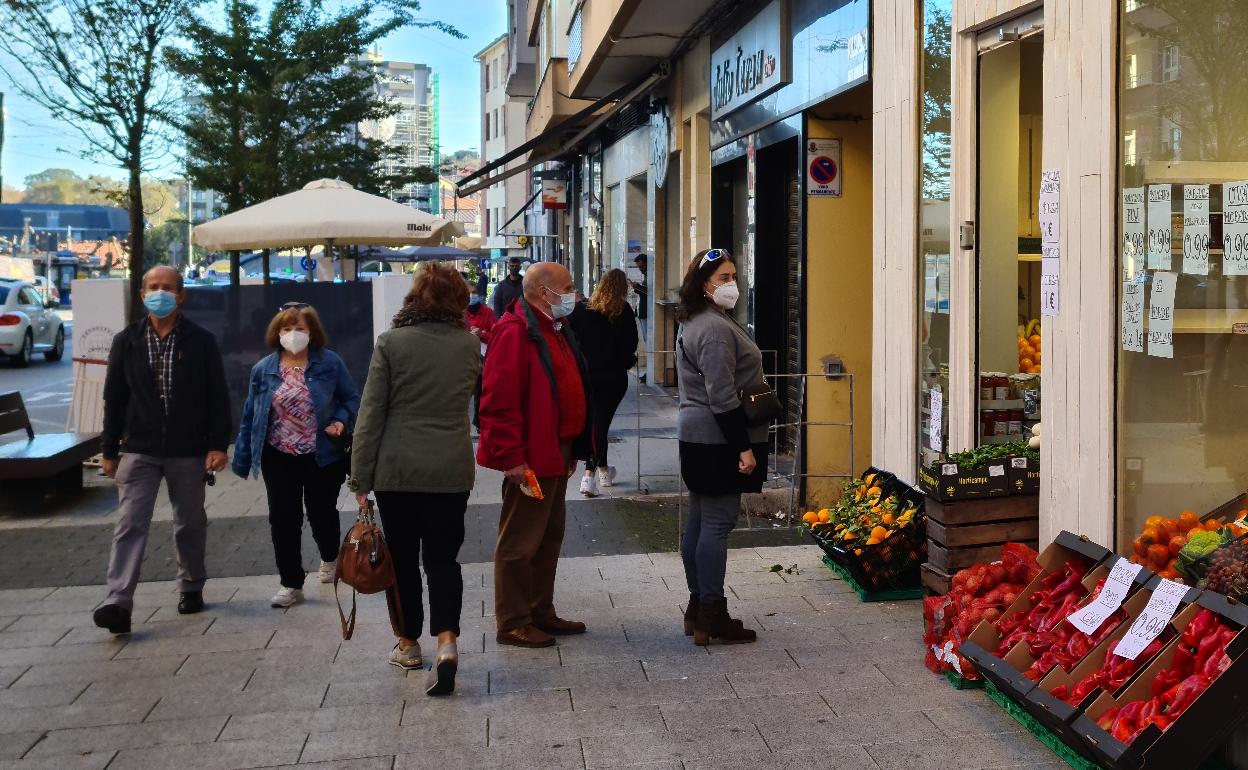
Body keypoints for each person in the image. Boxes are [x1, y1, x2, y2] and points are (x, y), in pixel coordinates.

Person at [351, 263, 480, 696]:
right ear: (457, 300)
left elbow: (371, 415)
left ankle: (408, 644)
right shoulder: (467, 346)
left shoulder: (391, 343)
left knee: (402, 560)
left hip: (398, 471)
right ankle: (447, 642)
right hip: (450, 468)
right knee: (444, 560)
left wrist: (359, 479)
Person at [94, 265, 231, 634]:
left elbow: (217, 396)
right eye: (153, 286)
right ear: (142, 295)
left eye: (167, 287)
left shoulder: (200, 341)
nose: (160, 292)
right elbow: (114, 398)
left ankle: (191, 584)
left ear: (181, 295)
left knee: (189, 522)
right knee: (129, 523)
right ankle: (117, 602)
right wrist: (109, 450)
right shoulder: (127, 340)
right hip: (139, 447)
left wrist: (218, 444)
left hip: (188, 450)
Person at [477, 261, 593, 648]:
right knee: (521, 539)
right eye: (569, 286)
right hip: (530, 455)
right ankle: (512, 620)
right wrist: (511, 458)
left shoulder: (553, 329)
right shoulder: (514, 333)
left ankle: (540, 609)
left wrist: (575, 445)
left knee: (548, 535)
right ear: (545, 293)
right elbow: (497, 402)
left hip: (556, 450)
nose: (575, 293)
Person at [232, 303, 360, 609]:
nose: (293, 335)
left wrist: (341, 420)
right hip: (278, 455)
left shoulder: (329, 363)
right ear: (276, 333)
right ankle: (291, 583)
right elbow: (251, 413)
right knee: (283, 519)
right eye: (287, 329)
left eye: (300, 328)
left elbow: (350, 397)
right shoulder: (264, 369)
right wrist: (242, 455)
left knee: (322, 512)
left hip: (323, 454)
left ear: (312, 332)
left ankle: (330, 557)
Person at [675, 248, 766, 646]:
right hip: (716, 438)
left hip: (700, 435)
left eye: (733, 276)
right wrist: (742, 448)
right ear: (703, 283)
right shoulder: (712, 328)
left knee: (699, 520)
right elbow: (723, 395)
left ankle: (698, 607)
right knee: (716, 524)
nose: (732, 284)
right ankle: (712, 611)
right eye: (723, 277)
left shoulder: (703, 320)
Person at [568, 269, 637, 497]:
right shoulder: (624, 311)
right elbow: (631, 345)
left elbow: (567, 336)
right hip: (613, 378)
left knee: (596, 424)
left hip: (586, 376)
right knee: (600, 425)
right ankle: (590, 475)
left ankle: (604, 470)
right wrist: (627, 362)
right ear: (622, 289)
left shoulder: (582, 309)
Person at [463, 281, 497, 429]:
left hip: (483, 358)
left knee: (480, 391)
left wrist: (481, 334)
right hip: (464, 358)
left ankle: (479, 422)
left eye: (474, 293)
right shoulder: (459, 313)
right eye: (468, 294)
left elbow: (495, 335)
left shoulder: (487, 312)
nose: (472, 296)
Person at [631, 253, 649, 343]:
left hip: (646, 311)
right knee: (646, 338)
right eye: (639, 267)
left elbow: (650, 292)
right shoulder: (646, 275)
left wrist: (637, 287)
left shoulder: (650, 275)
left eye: (642, 266)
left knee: (648, 338)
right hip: (642, 311)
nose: (640, 269)